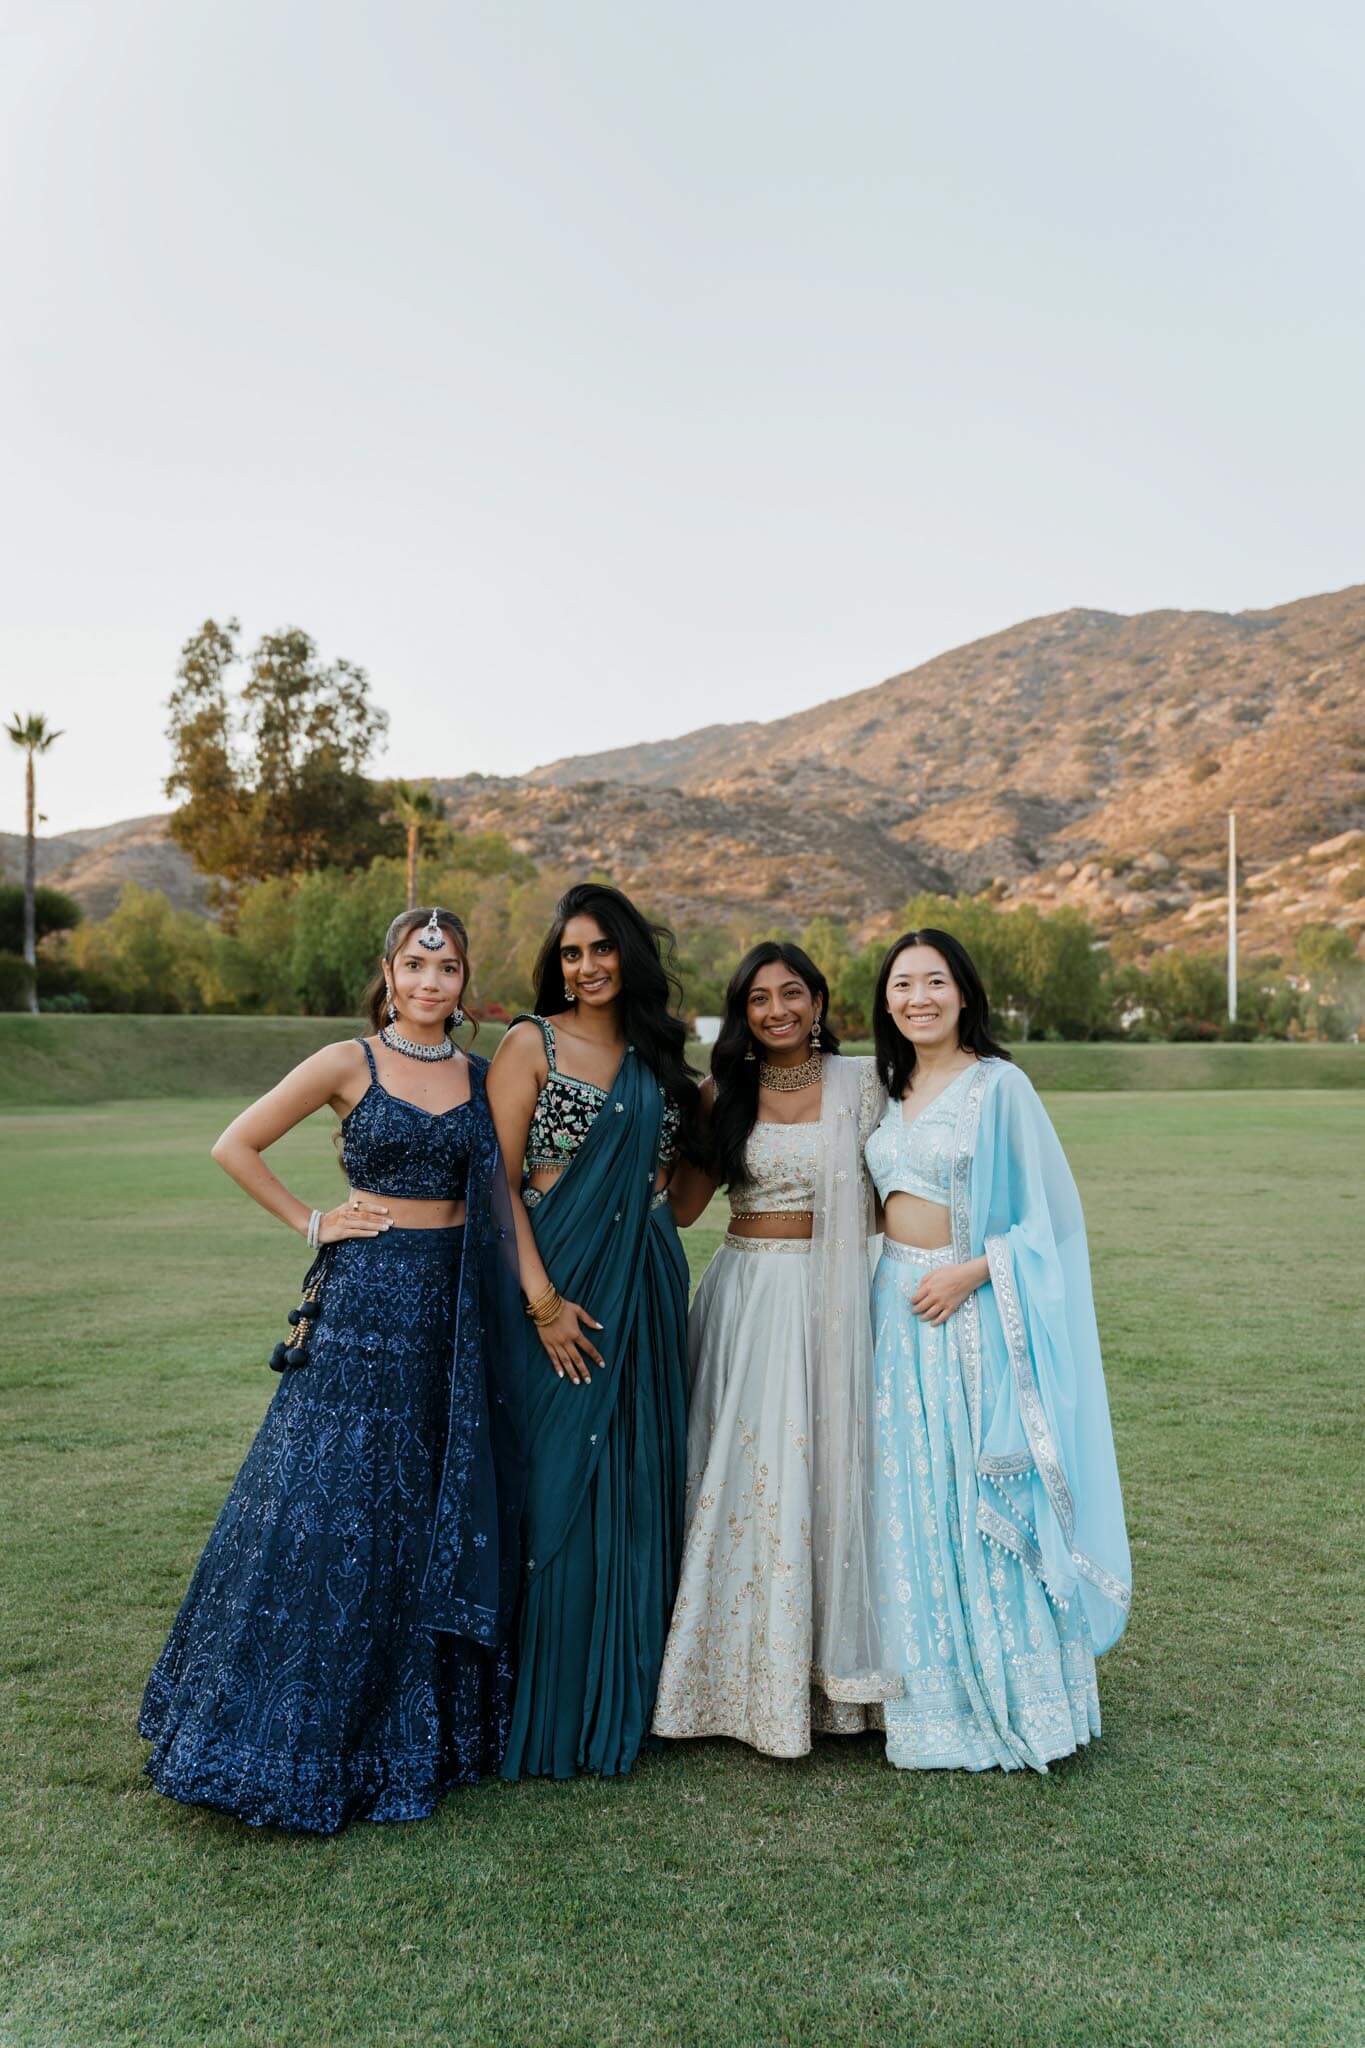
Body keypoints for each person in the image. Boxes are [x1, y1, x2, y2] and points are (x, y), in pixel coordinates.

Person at [139, 908, 526, 1832]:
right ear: (388, 973)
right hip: (364, 1302)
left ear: (464, 982)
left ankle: (430, 1731)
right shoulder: (347, 1063)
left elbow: (513, 1184)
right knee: (335, 1494)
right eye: (415, 965)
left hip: (455, 1306)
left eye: (447, 967)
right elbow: (235, 1143)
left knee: (433, 1493)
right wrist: (314, 1222)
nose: (431, 982)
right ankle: (287, 1728)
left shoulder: (484, 1076)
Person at [864, 928, 1130, 1773]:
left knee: (973, 1491)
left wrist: (971, 1272)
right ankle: (925, 1699)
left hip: (968, 1315)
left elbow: (1053, 1224)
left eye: (933, 982)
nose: (917, 998)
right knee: (909, 1497)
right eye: (901, 984)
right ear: (885, 1001)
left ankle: (1020, 1697)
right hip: (891, 1312)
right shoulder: (886, 1088)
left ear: (963, 993)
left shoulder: (999, 1087)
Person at [652, 943, 896, 1758]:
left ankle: (834, 1685)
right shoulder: (722, 1092)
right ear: (742, 1012)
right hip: (747, 1295)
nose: (777, 1010)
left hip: (836, 1297)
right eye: (758, 999)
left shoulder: (865, 1085)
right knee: (744, 1472)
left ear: (818, 1001)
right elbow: (682, 1209)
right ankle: (724, 1678)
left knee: (830, 1468)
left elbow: (900, 1191)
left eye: (791, 993)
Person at [486, 883, 702, 1779]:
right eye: (571, 953)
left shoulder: (662, 1057)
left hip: (645, 1282)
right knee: (554, 1482)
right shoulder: (529, 1042)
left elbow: (685, 1198)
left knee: (639, 1478)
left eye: (602, 948)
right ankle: (546, 1709)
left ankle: (629, 1700)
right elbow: (496, 1183)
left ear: (629, 954)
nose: (586, 967)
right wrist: (542, 1304)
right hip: (555, 1281)